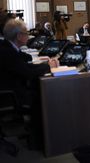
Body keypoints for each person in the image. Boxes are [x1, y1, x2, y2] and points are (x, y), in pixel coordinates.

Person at [0, 19, 59, 147]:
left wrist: (44, 64)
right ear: (19, 36)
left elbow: (23, 62)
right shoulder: (7, 52)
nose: (28, 36)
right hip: (10, 95)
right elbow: (27, 73)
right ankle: (39, 140)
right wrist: (48, 67)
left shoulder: (6, 46)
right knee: (43, 95)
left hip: (7, 89)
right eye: (26, 33)